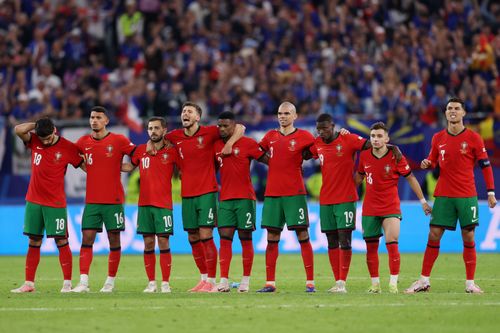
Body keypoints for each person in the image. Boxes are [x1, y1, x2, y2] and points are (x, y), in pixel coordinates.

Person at [405, 97, 497, 294]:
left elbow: (486, 166)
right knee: (434, 234)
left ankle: (470, 283)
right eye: (449, 108)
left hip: (466, 194)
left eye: (456, 108)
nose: (452, 111)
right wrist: (427, 163)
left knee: (469, 236)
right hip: (444, 194)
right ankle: (423, 280)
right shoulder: (438, 138)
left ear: (463, 113)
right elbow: (433, 159)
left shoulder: (474, 138)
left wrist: (490, 192)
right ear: (445, 113)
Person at [158, 102, 244, 292]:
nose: (185, 114)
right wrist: (150, 142)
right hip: (187, 194)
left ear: (198, 117)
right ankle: (204, 278)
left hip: (207, 191)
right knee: (192, 236)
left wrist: (229, 144)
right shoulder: (175, 136)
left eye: (189, 111)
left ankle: (213, 281)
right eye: (183, 112)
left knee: (206, 234)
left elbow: (240, 128)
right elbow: (158, 139)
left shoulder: (210, 132)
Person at [354, 122, 432, 294]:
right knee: (371, 247)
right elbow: (358, 178)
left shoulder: (396, 156)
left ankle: (393, 284)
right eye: (373, 136)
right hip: (370, 208)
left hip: (390, 206)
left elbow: (410, 178)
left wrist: (423, 201)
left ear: (387, 139)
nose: (375, 139)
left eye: (379, 136)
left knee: (392, 243)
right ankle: (375, 285)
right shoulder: (364, 156)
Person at [11, 118, 83, 293]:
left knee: (61, 240)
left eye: (49, 137)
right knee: (34, 240)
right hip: (34, 200)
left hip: (55, 203)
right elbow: (18, 130)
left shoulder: (67, 147)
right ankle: (29, 283)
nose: (45, 141)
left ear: (55, 130)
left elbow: (84, 165)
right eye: (42, 138)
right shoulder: (34, 139)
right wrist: (36, 125)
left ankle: (67, 283)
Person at [72, 106, 136, 293]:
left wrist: (127, 166)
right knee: (87, 239)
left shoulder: (119, 140)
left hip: (114, 200)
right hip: (92, 201)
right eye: (92, 117)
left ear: (106, 120)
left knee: (114, 240)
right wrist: (84, 165)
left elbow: (137, 154)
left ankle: (110, 282)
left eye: (99, 117)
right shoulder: (83, 142)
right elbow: (73, 155)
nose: (94, 120)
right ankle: (83, 282)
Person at [256, 101, 316, 293]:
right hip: (273, 194)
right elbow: (257, 152)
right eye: (280, 113)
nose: (282, 116)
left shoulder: (305, 136)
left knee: (303, 235)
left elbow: (317, 151)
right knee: (272, 237)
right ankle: (270, 283)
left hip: (295, 194)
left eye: (287, 113)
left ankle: (310, 282)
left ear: (295, 116)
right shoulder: (270, 136)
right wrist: (271, 162)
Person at [307, 113, 370, 293]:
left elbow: (369, 145)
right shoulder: (317, 143)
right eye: (318, 129)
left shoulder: (347, 139)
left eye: (325, 128)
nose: (321, 132)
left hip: (346, 198)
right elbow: (304, 154)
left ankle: (342, 282)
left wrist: (361, 171)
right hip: (326, 199)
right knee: (331, 240)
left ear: (333, 126)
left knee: (345, 239)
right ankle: (337, 281)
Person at [122, 117, 180, 293]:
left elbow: (187, 167)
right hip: (144, 205)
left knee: (163, 242)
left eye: (156, 128)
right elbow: (128, 167)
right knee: (148, 244)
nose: (153, 131)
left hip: (163, 205)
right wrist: (107, 163)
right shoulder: (141, 150)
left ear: (164, 130)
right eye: (150, 128)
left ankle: (165, 283)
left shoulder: (172, 152)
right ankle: (151, 283)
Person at [213, 111, 268, 292]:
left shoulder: (248, 144)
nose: (221, 129)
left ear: (234, 126)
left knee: (246, 238)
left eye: (225, 125)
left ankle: (245, 281)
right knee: (225, 239)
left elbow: (270, 161)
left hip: (245, 198)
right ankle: (224, 281)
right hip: (225, 200)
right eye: (219, 125)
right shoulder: (215, 146)